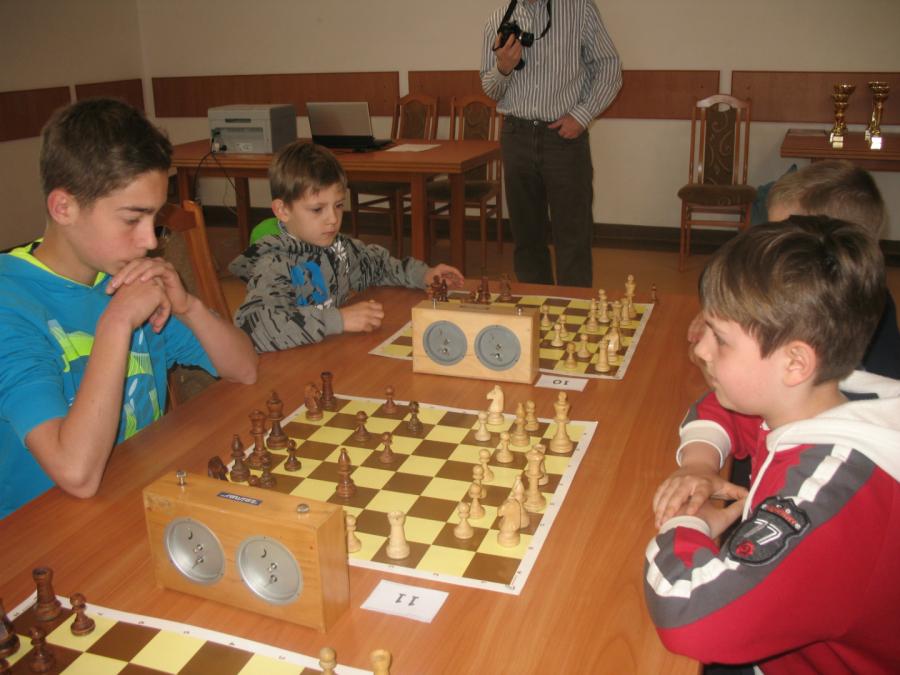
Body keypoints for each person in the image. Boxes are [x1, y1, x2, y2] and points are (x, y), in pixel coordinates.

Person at [645, 217, 900, 674]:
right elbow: (725, 406)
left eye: (720, 339)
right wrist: (700, 464)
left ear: (795, 362)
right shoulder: (828, 394)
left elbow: (687, 613)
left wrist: (687, 522)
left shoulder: (825, 500)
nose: (700, 350)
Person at [0, 98, 259, 519]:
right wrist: (117, 321)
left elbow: (244, 368)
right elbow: (77, 475)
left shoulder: (124, 276)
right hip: (42, 528)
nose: (151, 241)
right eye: (131, 219)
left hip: (135, 492)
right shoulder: (10, 306)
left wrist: (188, 306)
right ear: (64, 207)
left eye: (153, 219)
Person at [230, 142, 464, 351]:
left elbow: (378, 265)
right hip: (288, 369)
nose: (333, 219)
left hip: (328, 352)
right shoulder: (274, 264)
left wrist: (424, 274)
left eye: (339, 205)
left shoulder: (338, 248)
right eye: (317, 209)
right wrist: (338, 320)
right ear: (283, 210)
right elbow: (255, 327)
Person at [688, 160, 900, 379]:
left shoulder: (846, 313)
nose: (771, 248)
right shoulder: (820, 286)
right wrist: (725, 313)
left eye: (785, 240)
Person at [480, 0, 622, 288]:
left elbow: (610, 67)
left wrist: (582, 115)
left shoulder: (579, 9)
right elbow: (490, 89)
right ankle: (536, 307)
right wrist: (504, 67)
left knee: (573, 237)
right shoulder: (497, 20)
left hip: (564, 139)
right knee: (527, 239)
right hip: (516, 134)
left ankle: (574, 311)